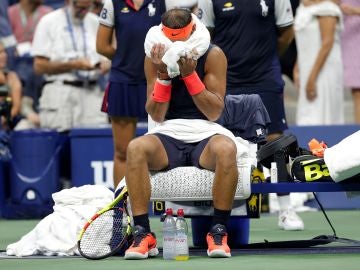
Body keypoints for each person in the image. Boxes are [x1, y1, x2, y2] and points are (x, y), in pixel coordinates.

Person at [124, 8, 239, 259]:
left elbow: (214, 112)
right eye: (170, 38)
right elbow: (155, 114)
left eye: (180, 38)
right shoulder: (153, 56)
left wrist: (189, 76)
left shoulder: (213, 54)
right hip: (167, 133)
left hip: (205, 132)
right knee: (135, 148)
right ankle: (143, 233)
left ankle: (218, 231)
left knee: (227, 149)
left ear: (193, 30)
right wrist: (163, 75)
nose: (174, 44)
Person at [197, 0, 305, 231]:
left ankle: (285, 208)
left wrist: (265, 56)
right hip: (225, 77)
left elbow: (286, 33)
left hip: (265, 75)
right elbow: (205, 38)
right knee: (219, 138)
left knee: (275, 139)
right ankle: (213, 210)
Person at [96, 0, 166, 189]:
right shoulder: (112, 4)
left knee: (168, 149)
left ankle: (165, 205)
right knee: (122, 151)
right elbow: (102, 46)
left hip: (158, 80)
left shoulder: (164, 2)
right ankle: (121, 206)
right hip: (123, 82)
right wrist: (124, 58)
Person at [32, 0, 109, 132]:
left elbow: (108, 56)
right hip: (61, 91)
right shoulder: (49, 21)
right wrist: (73, 65)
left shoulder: (96, 22)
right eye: (79, 7)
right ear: (68, 2)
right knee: (60, 144)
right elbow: (39, 66)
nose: (83, 11)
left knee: (93, 142)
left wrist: (107, 64)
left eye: (87, 7)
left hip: (92, 92)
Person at [294, 0, 344, 125]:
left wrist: (312, 78)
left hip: (324, 72)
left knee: (320, 118)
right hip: (307, 70)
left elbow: (327, 43)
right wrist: (297, 67)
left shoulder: (327, 8)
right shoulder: (302, 7)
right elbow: (305, 43)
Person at [340, 0, 360, 124]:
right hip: (344, 38)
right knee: (356, 92)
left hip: (357, 37)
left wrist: (355, 11)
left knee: (358, 92)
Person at [0, 41, 22, 130]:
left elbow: (16, 107)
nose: (4, 55)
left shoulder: (12, 77)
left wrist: (3, 120)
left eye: (4, 51)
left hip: (4, 127)